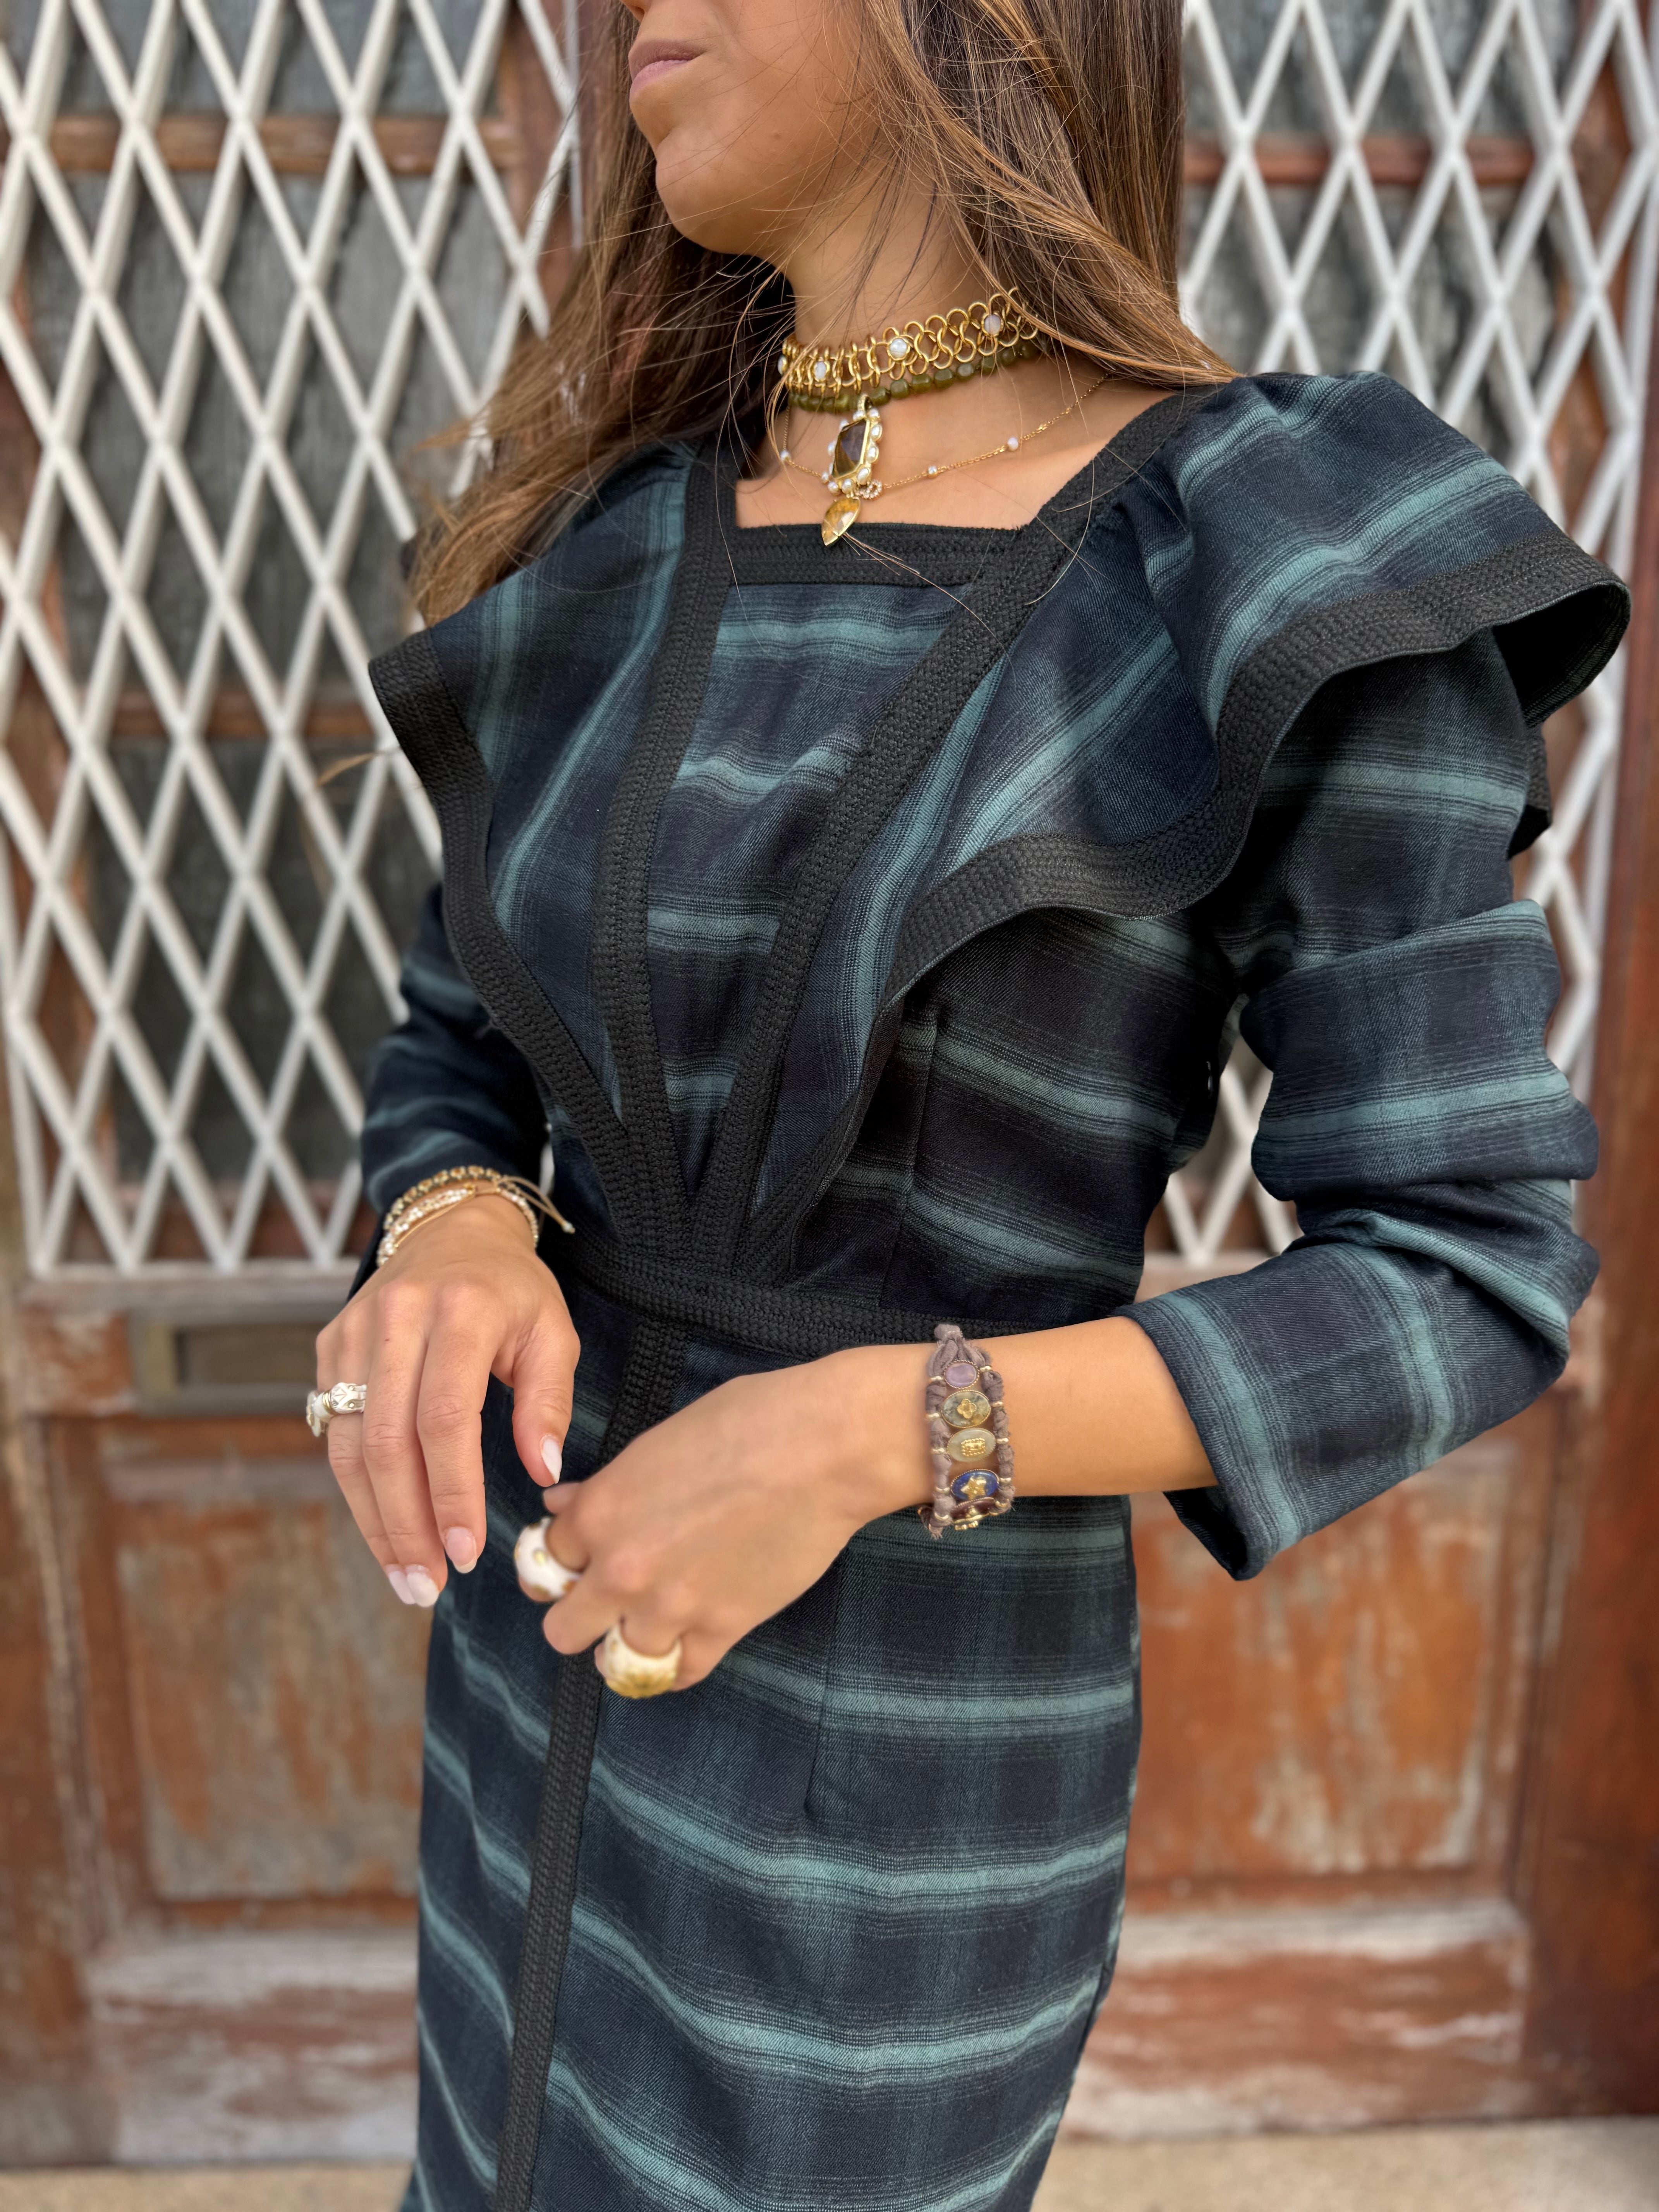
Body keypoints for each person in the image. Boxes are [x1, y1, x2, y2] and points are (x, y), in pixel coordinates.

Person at [310, 2, 1627, 2206]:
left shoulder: (1260, 557)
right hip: (528, 1673)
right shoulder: (617, 548)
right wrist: (449, 1226)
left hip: (898, 1789)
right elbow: (460, 1034)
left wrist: (869, 1431)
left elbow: (1465, 1268)